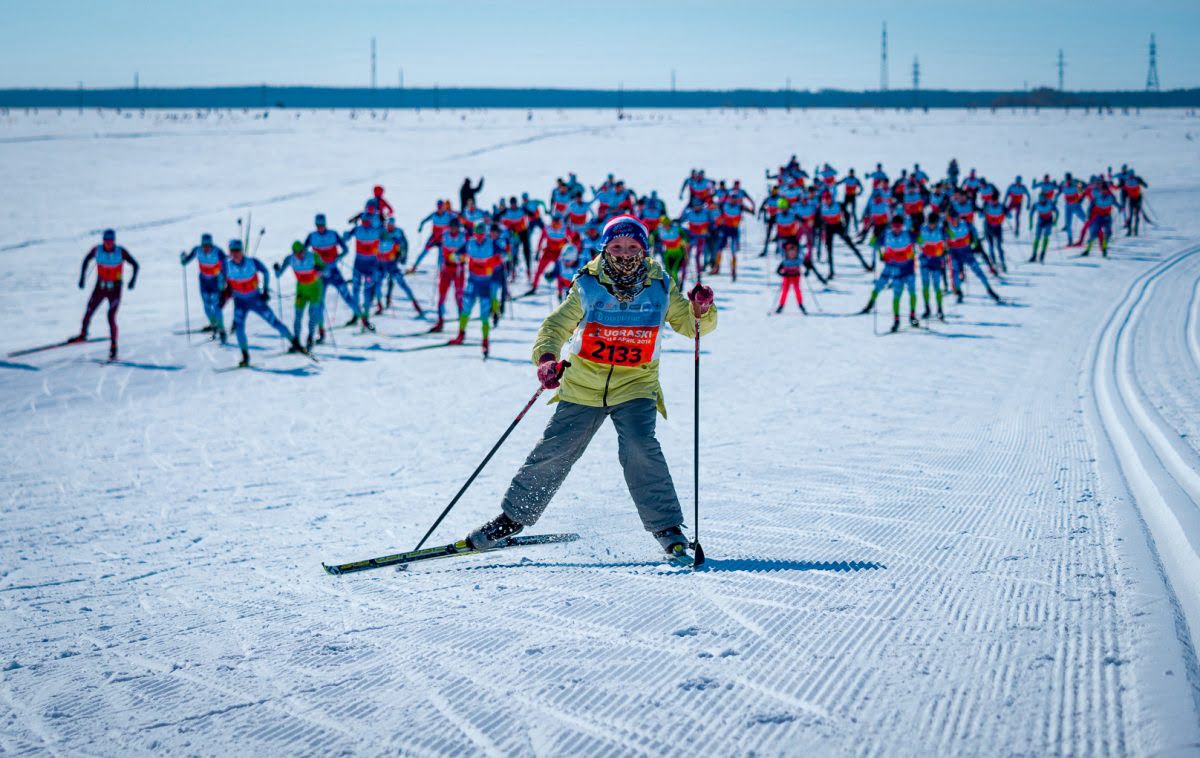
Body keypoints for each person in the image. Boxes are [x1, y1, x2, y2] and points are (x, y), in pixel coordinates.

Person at [463, 215, 717, 561]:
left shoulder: (661, 285)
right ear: (605, 247)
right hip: (582, 385)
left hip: (636, 384)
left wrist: (701, 309)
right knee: (555, 450)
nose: (625, 252)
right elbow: (555, 327)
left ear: (644, 248)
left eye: (632, 246)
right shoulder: (588, 284)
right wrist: (547, 360)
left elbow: (691, 326)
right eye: (616, 246)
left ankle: (667, 528)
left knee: (641, 448)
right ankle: (512, 519)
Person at [223, 239, 298, 366]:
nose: (235, 254)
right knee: (240, 329)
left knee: (274, 321)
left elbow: (266, 272)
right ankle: (245, 356)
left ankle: (295, 343)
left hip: (255, 299)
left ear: (242, 251)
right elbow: (221, 281)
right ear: (229, 252)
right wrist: (224, 292)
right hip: (240, 302)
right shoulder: (226, 266)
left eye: (238, 250)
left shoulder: (252, 262)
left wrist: (265, 290)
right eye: (233, 251)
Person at [69, 229, 139, 360]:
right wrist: (82, 278)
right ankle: (82, 334)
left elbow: (136, 265)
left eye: (111, 241)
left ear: (114, 241)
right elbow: (86, 260)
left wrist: (132, 281)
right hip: (100, 288)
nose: (108, 243)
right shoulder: (97, 250)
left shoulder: (121, 252)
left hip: (115, 290)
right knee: (89, 310)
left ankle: (113, 348)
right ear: (103, 241)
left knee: (110, 316)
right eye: (106, 241)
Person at [449, 222, 502, 357]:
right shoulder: (469, 243)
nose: (479, 236)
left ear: (485, 233)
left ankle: (485, 342)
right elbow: (455, 255)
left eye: (481, 233)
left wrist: (497, 261)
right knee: (466, 309)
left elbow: (504, 255)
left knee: (484, 316)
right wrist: (457, 258)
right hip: (472, 282)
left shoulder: (491, 244)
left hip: (485, 283)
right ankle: (461, 334)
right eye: (477, 233)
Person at [859, 215, 919, 332]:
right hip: (890, 266)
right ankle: (871, 305)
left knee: (911, 292)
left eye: (899, 226)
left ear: (902, 226)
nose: (897, 228)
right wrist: (874, 236)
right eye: (895, 226)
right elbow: (872, 244)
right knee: (882, 288)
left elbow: (922, 241)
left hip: (907, 268)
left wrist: (918, 231)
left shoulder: (908, 234)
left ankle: (913, 316)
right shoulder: (886, 235)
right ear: (892, 226)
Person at [303, 214, 357, 343]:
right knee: (319, 303)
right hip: (320, 275)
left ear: (325, 224)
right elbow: (303, 254)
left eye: (322, 225)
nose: (320, 228)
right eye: (318, 226)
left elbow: (345, 249)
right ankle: (321, 332)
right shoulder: (312, 236)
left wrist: (337, 258)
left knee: (346, 296)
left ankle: (361, 317)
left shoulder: (333, 234)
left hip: (334, 272)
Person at [274, 240, 324, 352]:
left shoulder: (313, 256)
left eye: (302, 252)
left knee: (312, 314)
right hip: (301, 290)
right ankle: (296, 341)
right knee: (298, 316)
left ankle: (310, 338)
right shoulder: (290, 259)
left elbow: (325, 269)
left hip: (315, 289)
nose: (300, 255)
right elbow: (279, 274)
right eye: (297, 253)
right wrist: (277, 269)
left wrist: (319, 270)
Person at [945, 209, 1002, 304]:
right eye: (951, 220)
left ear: (958, 218)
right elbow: (944, 241)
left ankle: (989, 289)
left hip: (967, 253)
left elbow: (974, 232)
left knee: (979, 271)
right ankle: (958, 292)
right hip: (955, 254)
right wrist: (946, 248)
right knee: (955, 273)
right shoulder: (947, 229)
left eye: (955, 219)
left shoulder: (966, 224)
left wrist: (975, 244)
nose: (954, 221)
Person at [180, 233, 227, 341]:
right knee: (206, 305)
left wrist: (223, 280)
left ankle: (221, 329)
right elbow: (185, 261)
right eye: (204, 245)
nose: (206, 248)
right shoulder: (197, 250)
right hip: (204, 281)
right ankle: (213, 324)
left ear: (211, 244)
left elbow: (225, 266)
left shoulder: (218, 251)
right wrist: (183, 258)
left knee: (216, 305)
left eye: (208, 245)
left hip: (215, 281)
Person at [917, 211, 947, 321]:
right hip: (925, 260)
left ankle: (939, 309)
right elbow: (919, 242)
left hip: (936, 261)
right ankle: (927, 309)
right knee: (925, 286)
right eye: (930, 223)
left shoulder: (941, 230)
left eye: (933, 223)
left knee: (936, 286)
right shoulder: (922, 228)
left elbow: (948, 240)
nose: (931, 225)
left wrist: (945, 251)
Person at [775, 239, 807, 314]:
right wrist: (782, 274)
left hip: (796, 277)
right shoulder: (785, 261)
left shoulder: (798, 261)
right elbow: (778, 271)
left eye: (794, 252)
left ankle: (800, 304)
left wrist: (806, 271)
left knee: (797, 290)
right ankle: (781, 305)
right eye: (790, 252)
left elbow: (806, 265)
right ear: (787, 253)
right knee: (785, 291)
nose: (792, 254)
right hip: (787, 277)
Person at [1028, 193, 1059, 263]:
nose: (1041, 201)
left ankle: (1042, 253)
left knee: (1046, 236)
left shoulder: (1050, 203)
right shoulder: (1036, 204)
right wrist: (1030, 223)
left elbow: (1057, 212)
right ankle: (1034, 255)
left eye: (1043, 199)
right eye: (1040, 199)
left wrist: (1055, 221)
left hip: (1049, 220)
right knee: (1037, 238)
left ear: (1046, 198)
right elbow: (1031, 214)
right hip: (1040, 221)